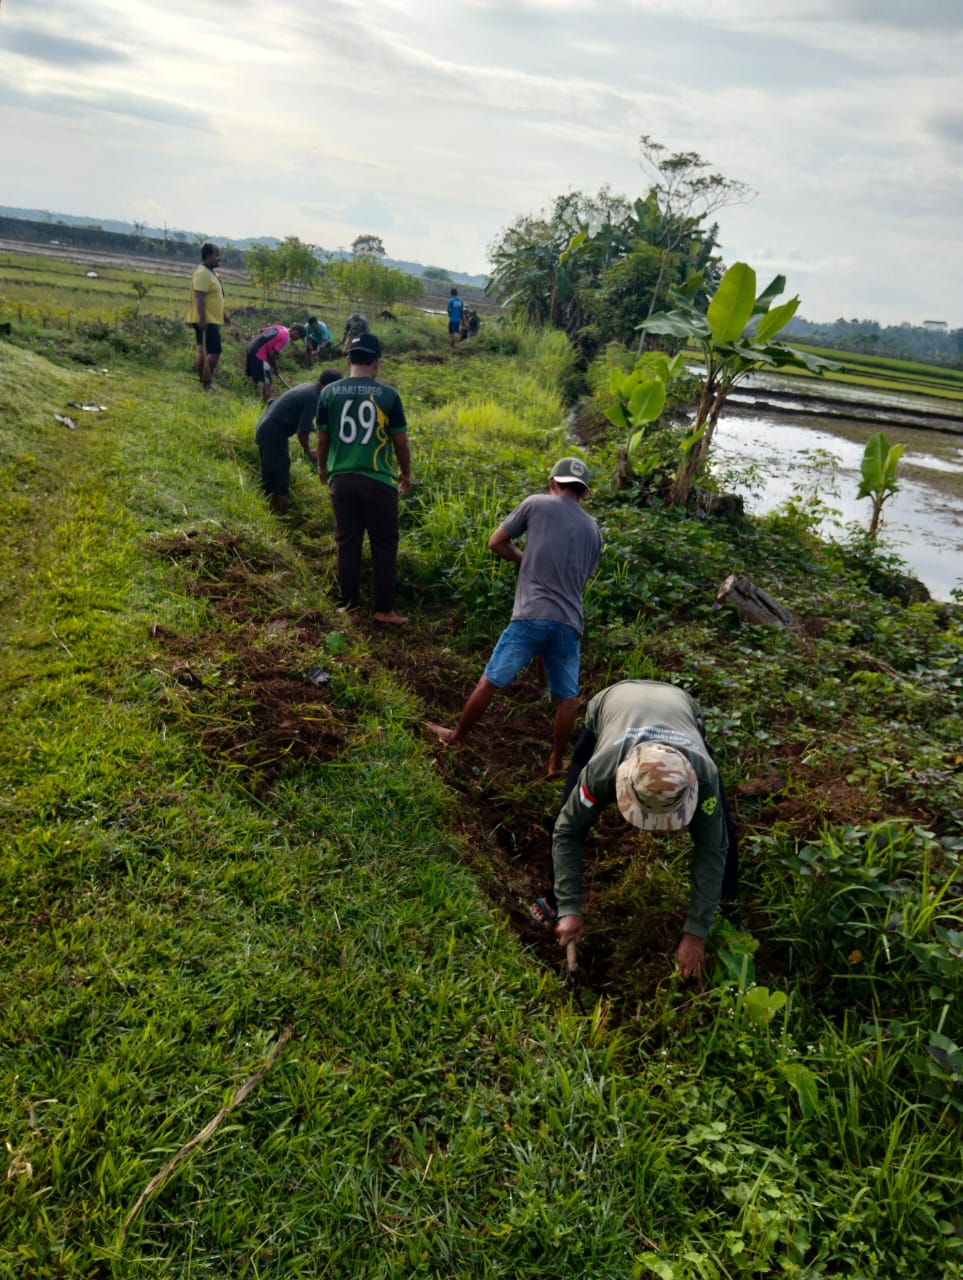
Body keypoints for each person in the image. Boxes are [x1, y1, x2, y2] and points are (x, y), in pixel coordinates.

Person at [533, 679, 740, 980]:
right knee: (567, 813)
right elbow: (569, 832)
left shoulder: (703, 772)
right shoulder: (602, 770)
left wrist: (696, 933)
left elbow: (712, 849)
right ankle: (556, 899)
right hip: (614, 701)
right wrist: (570, 906)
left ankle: (729, 909)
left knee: (723, 833)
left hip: (680, 705)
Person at [427, 457, 602, 776]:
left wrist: (524, 560)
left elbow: (496, 542)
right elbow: (582, 580)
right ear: (584, 494)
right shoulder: (593, 530)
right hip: (568, 623)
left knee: (490, 681)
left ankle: (456, 737)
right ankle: (554, 763)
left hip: (531, 614)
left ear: (552, 483)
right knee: (567, 698)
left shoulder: (537, 504)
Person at [315, 332, 411, 624]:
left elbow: (322, 437)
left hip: (341, 480)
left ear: (348, 359)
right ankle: (384, 610)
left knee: (347, 542)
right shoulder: (389, 396)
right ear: (376, 362)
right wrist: (406, 473)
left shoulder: (328, 393)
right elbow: (400, 442)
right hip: (378, 481)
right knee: (384, 545)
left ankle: (350, 605)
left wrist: (322, 468)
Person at [255, 368, 342, 514]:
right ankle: (281, 518)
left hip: (266, 427)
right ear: (328, 386)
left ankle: (271, 513)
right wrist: (308, 452)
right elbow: (302, 431)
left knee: (271, 476)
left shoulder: (309, 388)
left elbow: (304, 422)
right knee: (280, 479)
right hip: (273, 433)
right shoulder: (314, 398)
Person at [186, 242, 229, 391]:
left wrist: (224, 315)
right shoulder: (202, 273)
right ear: (208, 256)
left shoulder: (211, 273)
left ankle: (204, 382)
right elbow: (200, 297)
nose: (219, 258)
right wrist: (202, 318)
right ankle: (206, 383)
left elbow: (215, 297)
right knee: (214, 352)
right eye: (216, 255)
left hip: (211, 318)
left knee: (203, 350)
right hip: (206, 320)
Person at [244, 323, 306, 404]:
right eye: (299, 337)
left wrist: (259, 344)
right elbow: (272, 355)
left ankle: (249, 392)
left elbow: (261, 331)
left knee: (252, 373)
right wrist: (276, 368)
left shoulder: (279, 327)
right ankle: (267, 403)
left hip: (251, 347)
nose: (297, 339)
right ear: (295, 332)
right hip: (259, 354)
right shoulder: (285, 337)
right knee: (268, 380)